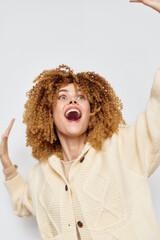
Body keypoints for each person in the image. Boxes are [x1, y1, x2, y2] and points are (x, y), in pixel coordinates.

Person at [0, 1, 160, 240]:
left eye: (81, 97)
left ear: (92, 110)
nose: (72, 102)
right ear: (48, 113)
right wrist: (7, 166)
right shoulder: (41, 174)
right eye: (62, 97)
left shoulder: (125, 148)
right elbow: (22, 202)